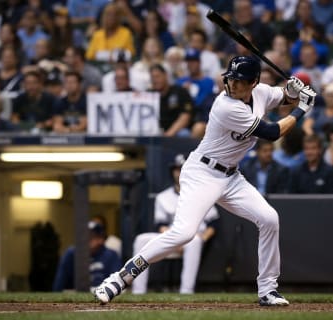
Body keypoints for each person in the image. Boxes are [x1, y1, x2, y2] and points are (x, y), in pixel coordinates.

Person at [94, 56, 316, 306]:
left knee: (269, 219)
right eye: (230, 78)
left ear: (254, 82)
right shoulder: (226, 106)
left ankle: (268, 290)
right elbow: (273, 133)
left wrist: (293, 90)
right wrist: (302, 108)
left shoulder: (262, 92)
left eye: (239, 81)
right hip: (202, 173)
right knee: (184, 233)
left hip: (232, 177)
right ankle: (120, 277)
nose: (232, 84)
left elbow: (283, 97)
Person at [132, 154, 219, 294]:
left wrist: (203, 239)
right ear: (172, 172)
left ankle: (186, 291)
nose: (180, 173)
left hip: (193, 238)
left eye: (183, 169)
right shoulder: (163, 197)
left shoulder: (201, 194)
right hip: (172, 237)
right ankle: (138, 290)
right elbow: (160, 225)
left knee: (195, 240)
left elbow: (213, 224)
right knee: (141, 239)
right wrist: (175, 241)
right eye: (177, 169)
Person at [53, 221, 122, 292]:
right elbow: (58, 286)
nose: (85, 240)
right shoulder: (71, 254)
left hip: (103, 296)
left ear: (101, 239)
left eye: (91, 236)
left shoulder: (111, 255)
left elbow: (118, 283)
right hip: (75, 298)